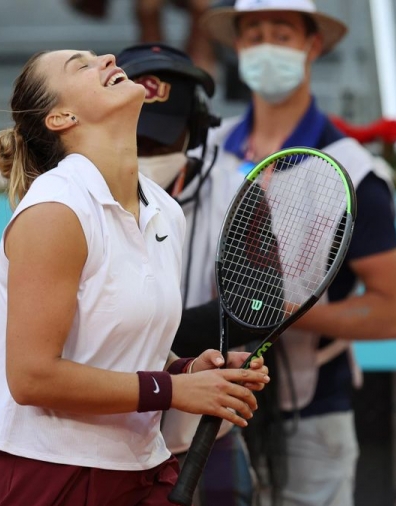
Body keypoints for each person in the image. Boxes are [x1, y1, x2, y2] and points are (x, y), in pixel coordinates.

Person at [0, 49, 271, 506]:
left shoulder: (164, 209)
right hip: (43, 477)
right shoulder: (55, 210)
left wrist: (187, 370)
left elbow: (114, 358)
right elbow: (32, 378)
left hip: (139, 472)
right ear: (60, 116)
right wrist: (174, 390)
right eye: (80, 65)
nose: (105, 57)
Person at [197, 1, 396, 504]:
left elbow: (392, 312)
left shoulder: (355, 172)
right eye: (253, 34)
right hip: (204, 405)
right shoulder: (205, 149)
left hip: (311, 412)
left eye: (282, 33)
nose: (266, 46)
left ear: (313, 45)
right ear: (237, 46)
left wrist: (289, 317)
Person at [116, 43, 255, 506]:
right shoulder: (70, 195)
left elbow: (256, 306)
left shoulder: (237, 190)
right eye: (134, 138)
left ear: (195, 131)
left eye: (159, 139)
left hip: (201, 431)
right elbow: (0, 327)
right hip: (108, 436)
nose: (145, 152)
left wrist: (123, 334)